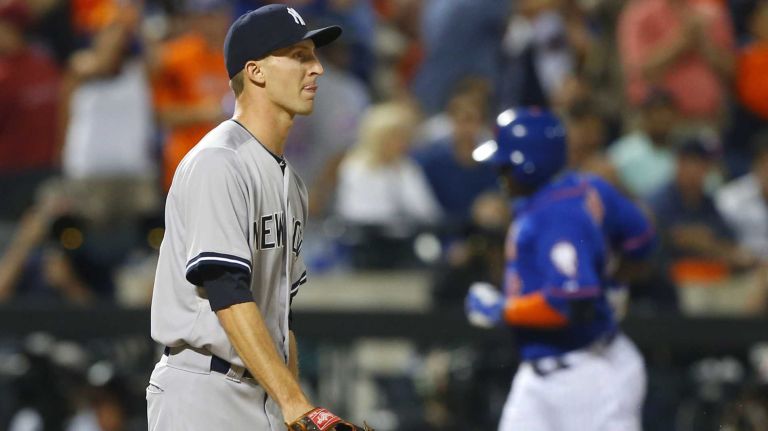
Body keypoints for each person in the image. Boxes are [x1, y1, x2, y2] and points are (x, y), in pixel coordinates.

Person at [146, 5, 370, 431]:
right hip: (203, 392)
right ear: (256, 72)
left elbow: (280, 317)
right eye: (300, 56)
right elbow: (226, 292)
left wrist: (293, 405)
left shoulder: (291, 182)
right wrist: (296, 403)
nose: (317, 68)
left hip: (261, 393)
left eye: (315, 56)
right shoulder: (220, 161)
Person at [465, 108, 656, 430]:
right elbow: (642, 240)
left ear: (528, 166)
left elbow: (570, 303)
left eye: (506, 165)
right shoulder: (588, 187)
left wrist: (503, 310)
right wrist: (612, 280)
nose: (500, 173)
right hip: (545, 374)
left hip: (588, 377)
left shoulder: (554, 217)